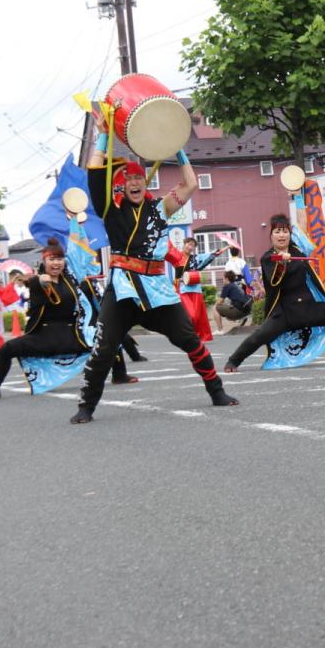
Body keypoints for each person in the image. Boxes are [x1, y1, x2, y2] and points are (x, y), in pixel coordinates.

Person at [72, 114, 237, 424]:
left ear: (144, 182)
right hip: (123, 289)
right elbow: (95, 173)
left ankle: (217, 391)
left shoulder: (159, 209)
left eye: (138, 177)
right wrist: (103, 137)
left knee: (189, 339)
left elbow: (190, 184)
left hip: (158, 289)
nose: (134, 182)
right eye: (128, 179)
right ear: (121, 184)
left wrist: (178, 148)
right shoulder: (110, 209)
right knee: (104, 348)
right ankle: (86, 406)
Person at [0, 232, 135, 401]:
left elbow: (82, 255)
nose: (56, 263)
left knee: (110, 337)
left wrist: (78, 226)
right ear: (44, 262)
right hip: (43, 337)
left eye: (59, 259)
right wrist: (41, 281)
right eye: (51, 260)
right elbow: (34, 281)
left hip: (72, 335)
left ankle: (120, 375)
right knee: (6, 349)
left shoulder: (70, 280)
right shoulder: (37, 280)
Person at [224, 214, 325, 371]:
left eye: (285, 231)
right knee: (259, 336)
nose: (281, 235)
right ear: (271, 235)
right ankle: (234, 361)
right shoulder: (268, 257)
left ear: (290, 234)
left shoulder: (298, 250)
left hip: (311, 307)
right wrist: (281, 263)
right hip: (286, 312)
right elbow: (274, 282)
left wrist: (298, 195)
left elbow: (302, 224)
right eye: (277, 231)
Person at [173, 237, 226, 342]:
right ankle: (187, 334)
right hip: (183, 290)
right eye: (189, 244)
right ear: (184, 244)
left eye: (192, 245)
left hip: (196, 289)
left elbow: (211, 255)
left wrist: (224, 249)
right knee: (191, 315)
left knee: (197, 316)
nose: (190, 247)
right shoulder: (177, 256)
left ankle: (196, 336)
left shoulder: (196, 258)